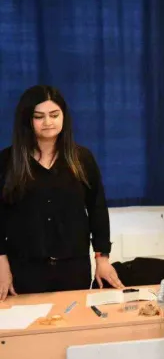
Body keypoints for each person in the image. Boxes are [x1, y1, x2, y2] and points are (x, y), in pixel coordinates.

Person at [0, 85, 124, 302]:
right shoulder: (7, 162)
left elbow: (97, 211)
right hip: (25, 269)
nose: (48, 122)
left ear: (64, 116)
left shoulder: (82, 159)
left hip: (73, 267)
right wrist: (1, 263)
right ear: (27, 119)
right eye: (39, 117)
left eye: (54, 115)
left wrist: (102, 259)